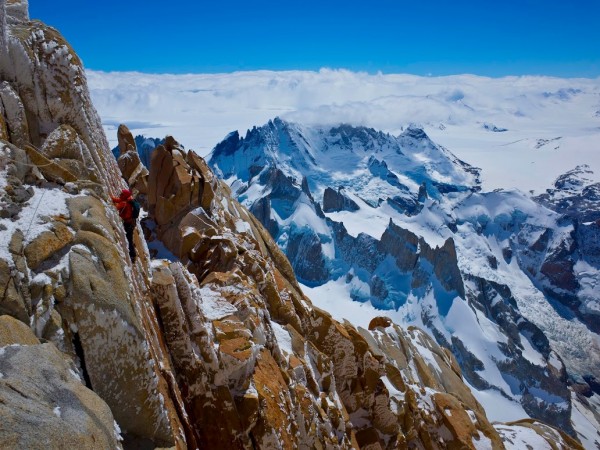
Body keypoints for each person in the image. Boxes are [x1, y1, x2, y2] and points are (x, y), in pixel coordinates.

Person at [111, 189, 137, 261]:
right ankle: (132, 252)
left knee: (129, 239)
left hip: (128, 224)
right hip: (131, 222)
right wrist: (112, 198)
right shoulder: (127, 201)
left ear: (124, 196)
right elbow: (118, 200)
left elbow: (116, 208)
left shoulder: (124, 203)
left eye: (122, 194)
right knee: (129, 237)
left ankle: (132, 255)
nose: (120, 195)